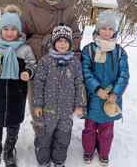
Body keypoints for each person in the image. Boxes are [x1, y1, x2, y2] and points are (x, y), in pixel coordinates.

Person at [21, 0, 82, 124]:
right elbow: (21, 32)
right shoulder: (30, 5)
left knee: (58, 97)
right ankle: (40, 132)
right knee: (37, 97)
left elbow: (75, 32)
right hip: (37, 58)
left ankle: (58, 130)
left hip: (62, 60)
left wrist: (75, 54)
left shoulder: (65, 6)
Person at [0, 5, 36, 167]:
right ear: (1, 30)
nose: (9, 32)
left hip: (17, 96)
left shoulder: (25, 49)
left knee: (13, 125)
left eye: (13, 29)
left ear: (19, 31)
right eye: (6, 28)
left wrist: (28, 72)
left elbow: (33, 65)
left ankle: (9, 150)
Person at [81, 10, 130, 167]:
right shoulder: (88, 50)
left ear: (115, 31)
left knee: (106, 128)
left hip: (111, 99)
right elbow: (85, 71)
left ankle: (104, 152)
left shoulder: (120, 52)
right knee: (90, 127)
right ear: (97, 30)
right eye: (104, 28)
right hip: (93, 96)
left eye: (110, 29)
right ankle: (88, 150)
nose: (107, 32)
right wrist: (96, 89)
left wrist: (115, 93)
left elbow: (124, 75)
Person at [33, 24, 85, 167]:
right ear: (54, 42)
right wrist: (37, 104)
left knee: (63, 137)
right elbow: (38, 83)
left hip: (66, 110)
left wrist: (79, 105)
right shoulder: (45, 61)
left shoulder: (75, 62)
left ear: (70, 44)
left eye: (66, 41)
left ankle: (59, 160)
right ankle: (43, 161)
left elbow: (79, 83)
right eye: (59, 41)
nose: (62, 44)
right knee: (45, 136)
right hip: (47, 109)